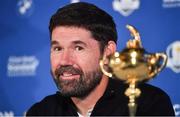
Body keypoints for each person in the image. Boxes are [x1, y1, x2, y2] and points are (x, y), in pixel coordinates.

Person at [26, 2, 175, 116]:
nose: (64, 60)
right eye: (57, 48)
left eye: (78, 47)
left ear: (107, 52)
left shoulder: (149, 104)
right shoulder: (40, 112)